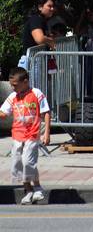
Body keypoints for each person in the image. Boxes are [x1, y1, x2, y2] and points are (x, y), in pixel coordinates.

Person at [0, 67, 50, 205]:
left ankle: (38, 187)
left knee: (28, 162)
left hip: (32, 134)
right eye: (11, 85)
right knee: (19, 163)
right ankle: (28, 190)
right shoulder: (13, 97)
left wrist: (46, 133)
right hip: (17, 134)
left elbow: (46, 112)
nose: (13, 88)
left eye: (15, 85)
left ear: (25, 81)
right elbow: (4, 113)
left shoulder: (36, 93)